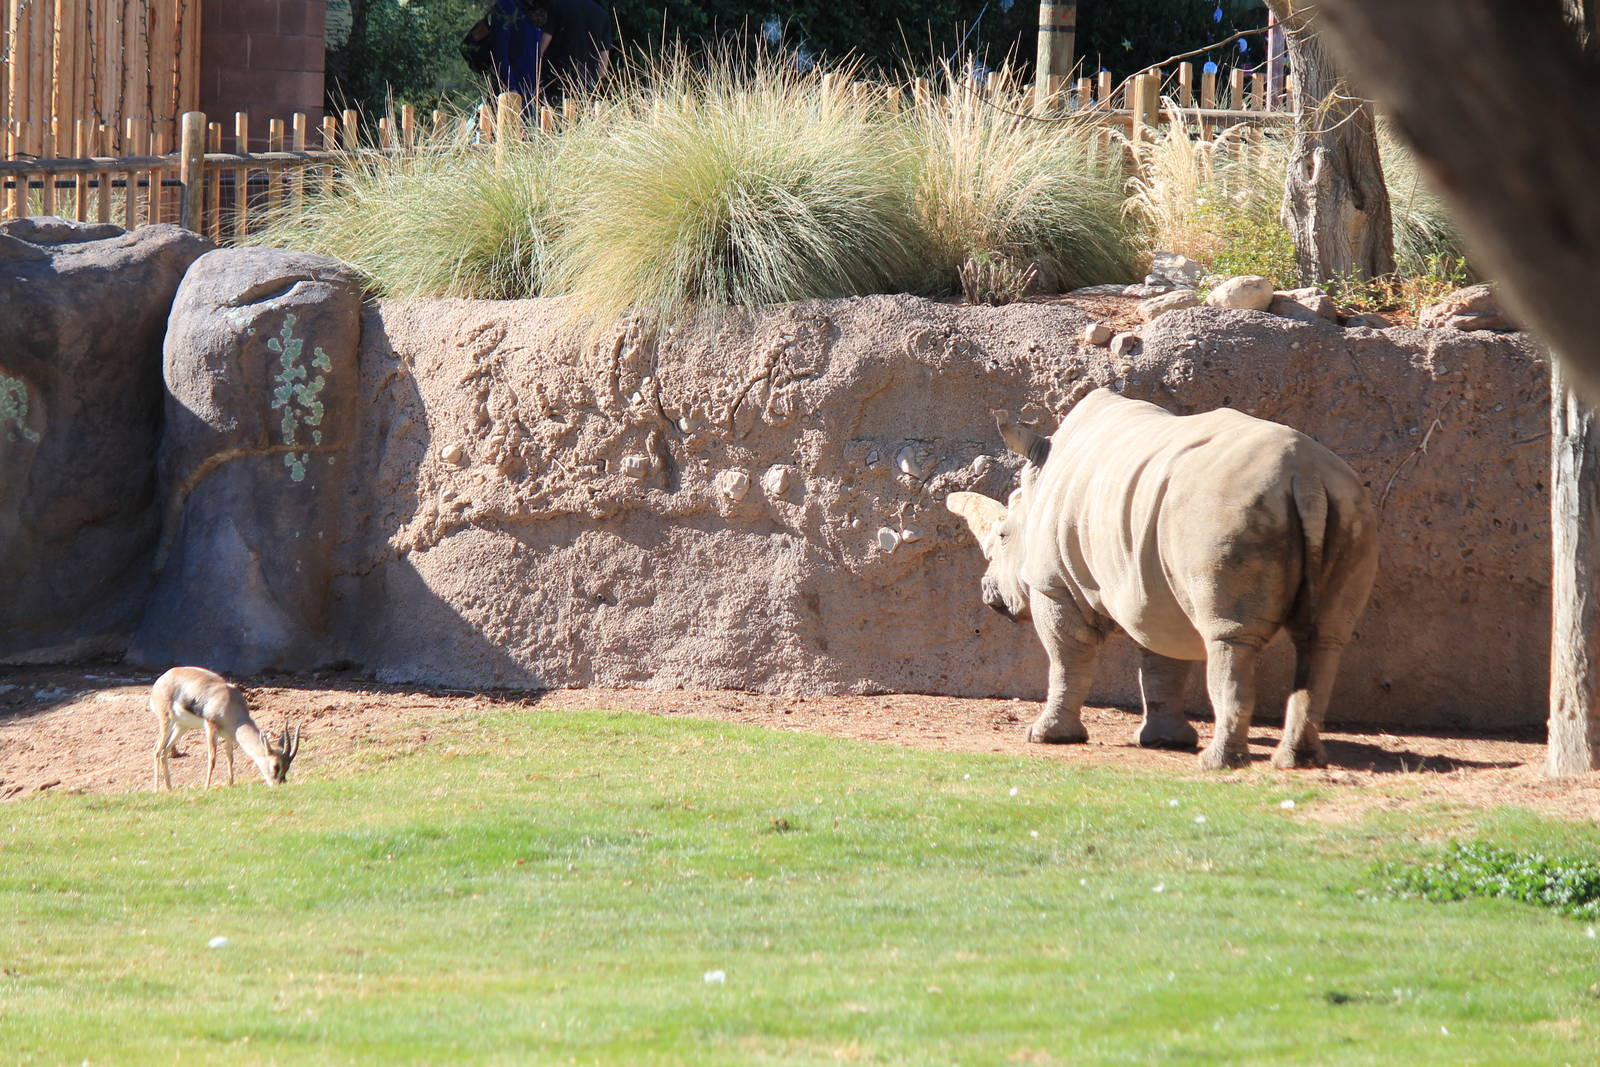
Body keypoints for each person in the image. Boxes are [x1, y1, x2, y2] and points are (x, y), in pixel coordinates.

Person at [464, 0, 553, 105]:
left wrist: (539, 86)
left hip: (530, 92)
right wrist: (510, 88)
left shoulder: (535, 10)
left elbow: (534, 55)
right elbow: (499, 54)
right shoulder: (506, 9)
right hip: (511, 95)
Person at [541, 0, 613, 103]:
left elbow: (541, 49)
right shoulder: (602, 14)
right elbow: (602, 69)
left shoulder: (556, 6)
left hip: (555, 87)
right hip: (586, 93)